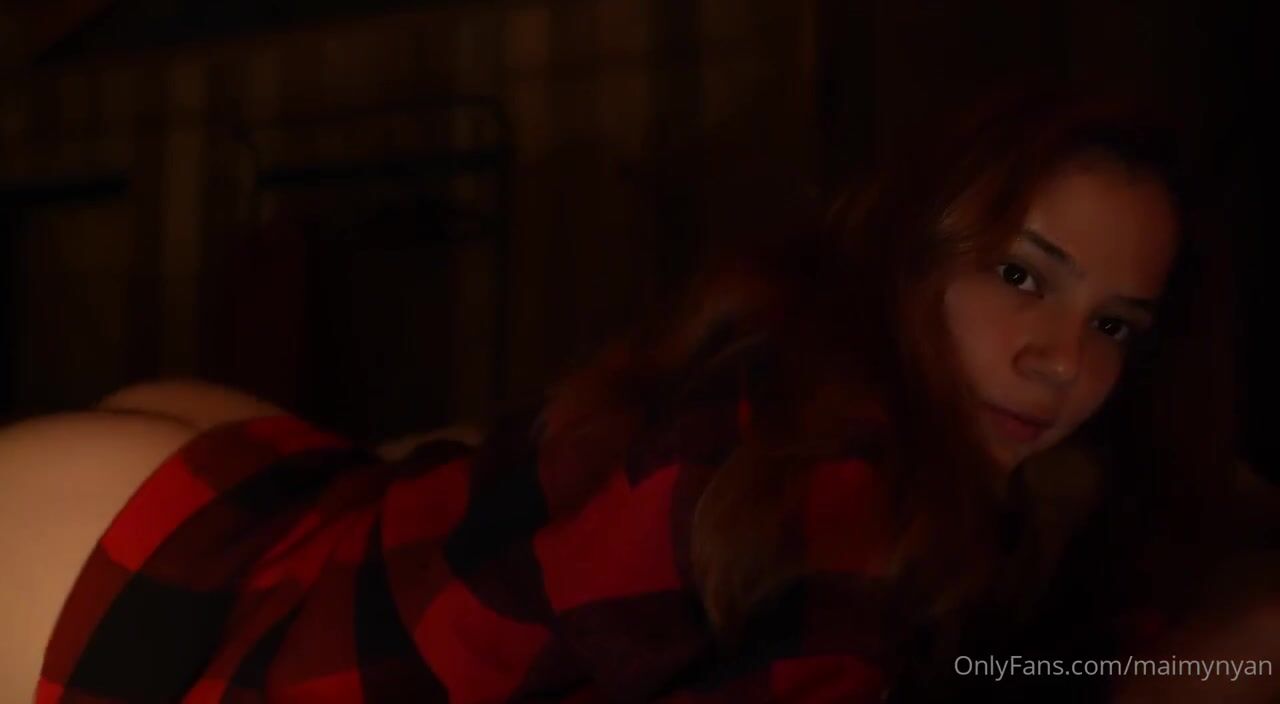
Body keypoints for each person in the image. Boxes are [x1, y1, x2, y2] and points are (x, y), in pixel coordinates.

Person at [0, 83, 1258, 702]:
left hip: (251, 508)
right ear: (907, 248)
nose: (1062, 360)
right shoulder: (840, 467)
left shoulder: (867, 413)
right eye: (1019, 275)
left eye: (1112, 324)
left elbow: (976, 652)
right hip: (125, 584)